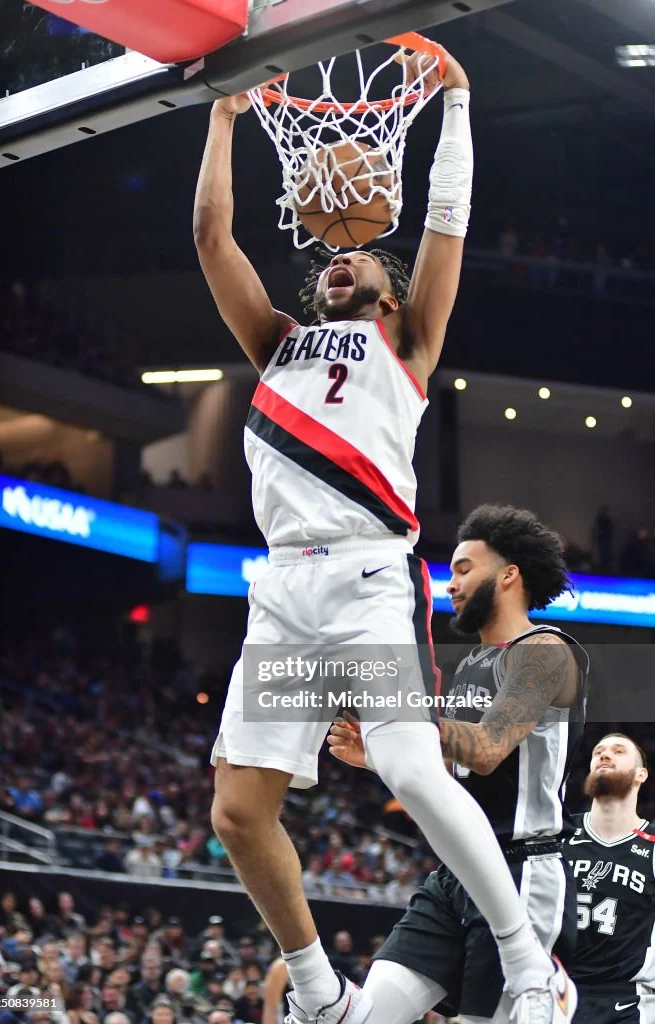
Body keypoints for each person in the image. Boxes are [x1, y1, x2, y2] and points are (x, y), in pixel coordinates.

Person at [195, 31, 574, 1024]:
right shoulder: (274, 339)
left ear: (390, 290)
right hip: (282, 597)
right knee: (237, 812)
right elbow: (209, 237)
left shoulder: (406, 338)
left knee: (408, 761)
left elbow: (445, 220)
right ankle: (319, 992)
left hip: (365, 581)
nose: (339, 261)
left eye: (360, 256)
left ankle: (526, 960)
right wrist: (226, 115)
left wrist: (451, 105)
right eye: (333, 255)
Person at [328, 504, 590, 1024]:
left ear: (509, 574)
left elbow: (489, 750)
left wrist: (403, 721)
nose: (451, 583)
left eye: (464, 568)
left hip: (521, 868)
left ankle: (549, 981)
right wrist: (383, 754)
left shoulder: (545, 650)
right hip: (455, 871)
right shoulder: (469, 665)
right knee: (368, 1017)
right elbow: (454, 779)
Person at [564, 733, 655, 1024]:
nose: (605, 755)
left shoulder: (652, 845)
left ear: (641, 774)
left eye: (618, 751)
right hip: (555, 989)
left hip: (627, 1001)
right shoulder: (557, 833)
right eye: (598, 751)